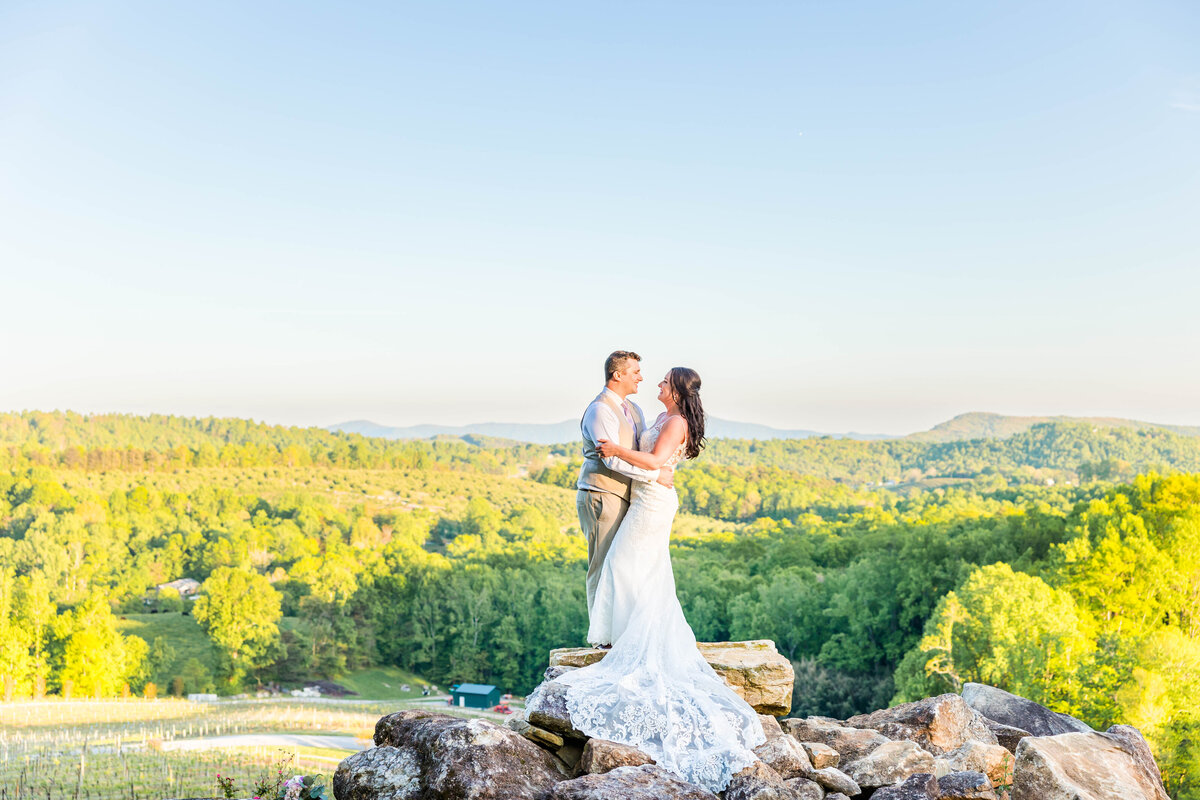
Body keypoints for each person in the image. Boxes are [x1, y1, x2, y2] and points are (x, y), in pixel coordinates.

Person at [541, 367, 764, 792]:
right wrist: (645, 465)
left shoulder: (676, 421)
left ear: (677, 391)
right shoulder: (654, 417)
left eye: (664, 381)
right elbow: (656, 465)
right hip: (644, 494)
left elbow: (658, 463)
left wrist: (616, 452)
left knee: (626, 565)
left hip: (653, 503)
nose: (657, 384)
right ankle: (625, 634)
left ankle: (629, 639)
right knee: (637, 569)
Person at [576, 351, 674, 640]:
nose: (641, 377)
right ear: (617, 375)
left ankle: (620, 633)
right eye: (635, 372)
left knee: (624, 566)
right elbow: (612, 460)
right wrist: (656, 476)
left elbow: (641, 455)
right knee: (603, 565)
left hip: (630, 499)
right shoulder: (600, 410)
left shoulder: (634, 410)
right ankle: (600, 640)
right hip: (601, 494)